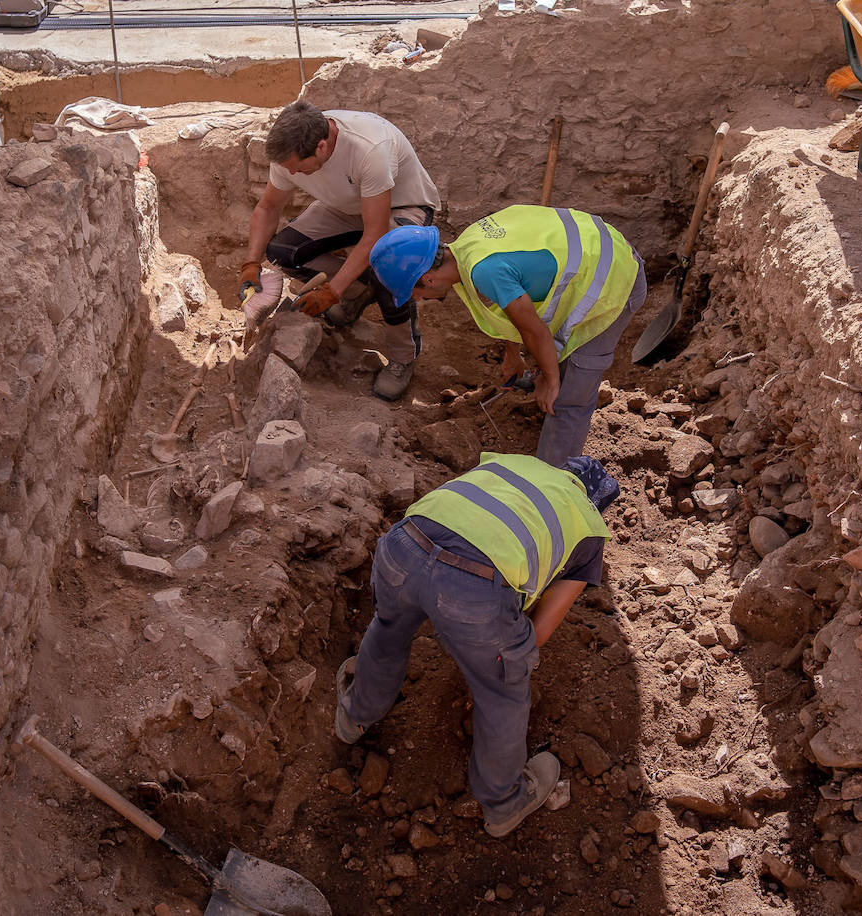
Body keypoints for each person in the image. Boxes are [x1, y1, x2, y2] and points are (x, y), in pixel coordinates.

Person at [335, 453, 619, 838]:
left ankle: (354, 716)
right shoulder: (588, 529)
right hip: (472, 587)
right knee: (503, 692)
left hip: (402, 546)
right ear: (596, 503)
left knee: (388, 627)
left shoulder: (513, 464)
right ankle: (504, 803)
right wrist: (494, 651)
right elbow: (538, 633)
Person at [369, 205, 648, 464]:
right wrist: (513, 355)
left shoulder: (484, 271)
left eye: (413, 292)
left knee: (568, 396)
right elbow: (514, 306)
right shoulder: (468, 246)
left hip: (613, 277)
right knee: (555, 365)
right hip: (601, 246)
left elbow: (534, 330)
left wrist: (549, 380)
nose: (417, 299)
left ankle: (552, 483)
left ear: (428, 278)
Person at [240, 101, 442, 401]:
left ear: (322, 147)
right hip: (348, 207)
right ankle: (357, 293)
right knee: (284, 251)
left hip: (403, 205)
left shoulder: (369, 150)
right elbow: (269, 207)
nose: (292, 172)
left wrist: (330, 290)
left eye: (297, 167)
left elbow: (375, 234)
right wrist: (251, 263)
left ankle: (403, 357)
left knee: (388, 270)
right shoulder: (289, 154)